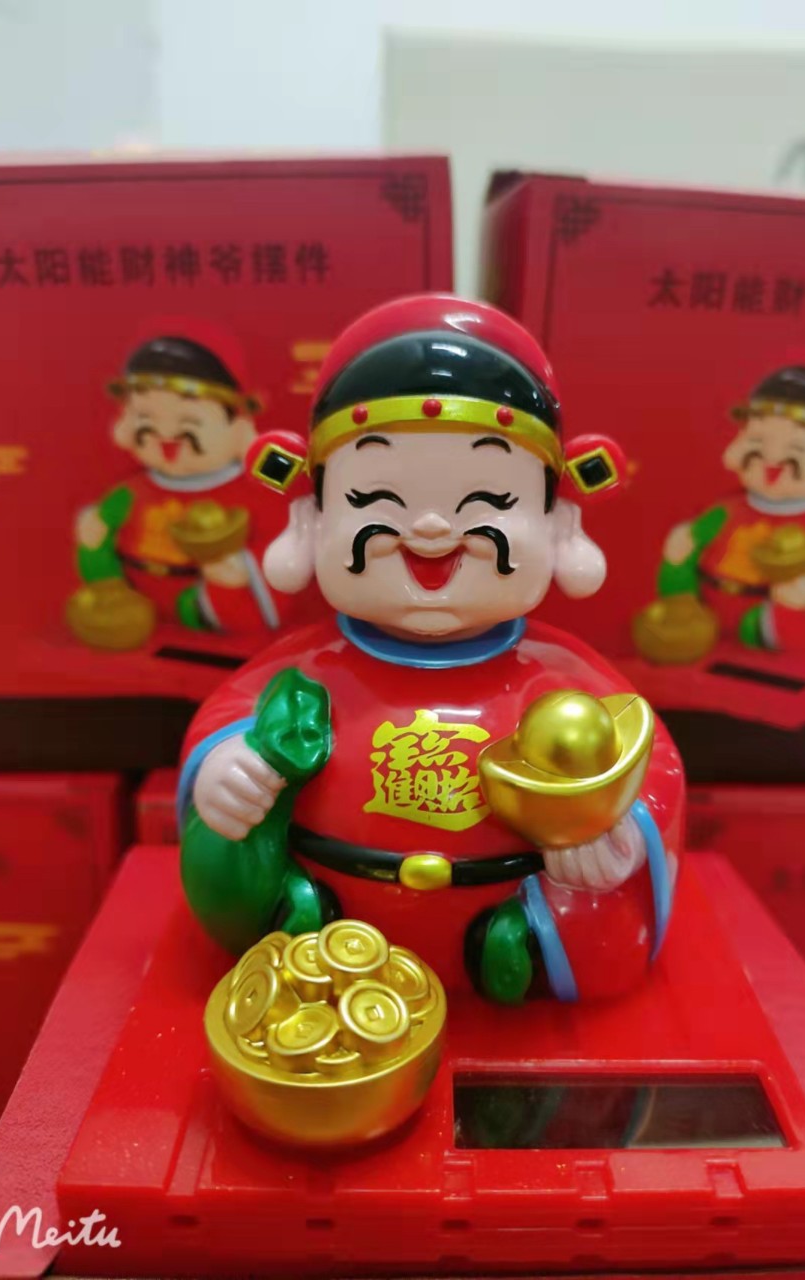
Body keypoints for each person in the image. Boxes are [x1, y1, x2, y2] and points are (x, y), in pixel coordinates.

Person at [177, 295, 684, 1005]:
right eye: (374, 498)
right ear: (313, 521)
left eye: (489, 500)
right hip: (331, 937)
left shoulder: (561, 678)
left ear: (558, 526)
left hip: (508, 928)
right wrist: (223, 767)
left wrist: (619, 828)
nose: (432, 530)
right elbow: (225, 718)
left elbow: (651, 762)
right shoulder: (306, 669)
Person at [68, 324, 288, 649]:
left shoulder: (248, 493)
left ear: (238, 428)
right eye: (147, 422)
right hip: (133, 599)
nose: (167, 437)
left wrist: (236, 572)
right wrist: (94, 535)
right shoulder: (133, 490)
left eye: (189, 424)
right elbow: (103, 534)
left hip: (197, 601)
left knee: (230, 597)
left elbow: (278, 548)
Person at [635, 365, 805, 662]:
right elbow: (698, 539)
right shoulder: (730, 508)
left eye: (797, 448)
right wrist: (682, 550)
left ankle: (761, 630)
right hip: (705, 617)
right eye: (757, 443)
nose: (773, 459)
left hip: (763, 625)